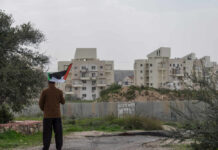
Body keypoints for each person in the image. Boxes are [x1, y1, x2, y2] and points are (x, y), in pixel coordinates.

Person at [39, 81, 65, 150]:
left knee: (47, 133)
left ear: (48, 83)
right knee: (58, 133)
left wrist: (44, 110)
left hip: (47, 116)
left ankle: (46, 148)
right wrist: (61, 96)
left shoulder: (45, 91)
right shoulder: (59, 91)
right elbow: (63, 102)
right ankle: (59, 148)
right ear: (55, 83)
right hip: (57, 116)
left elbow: (40, 103)